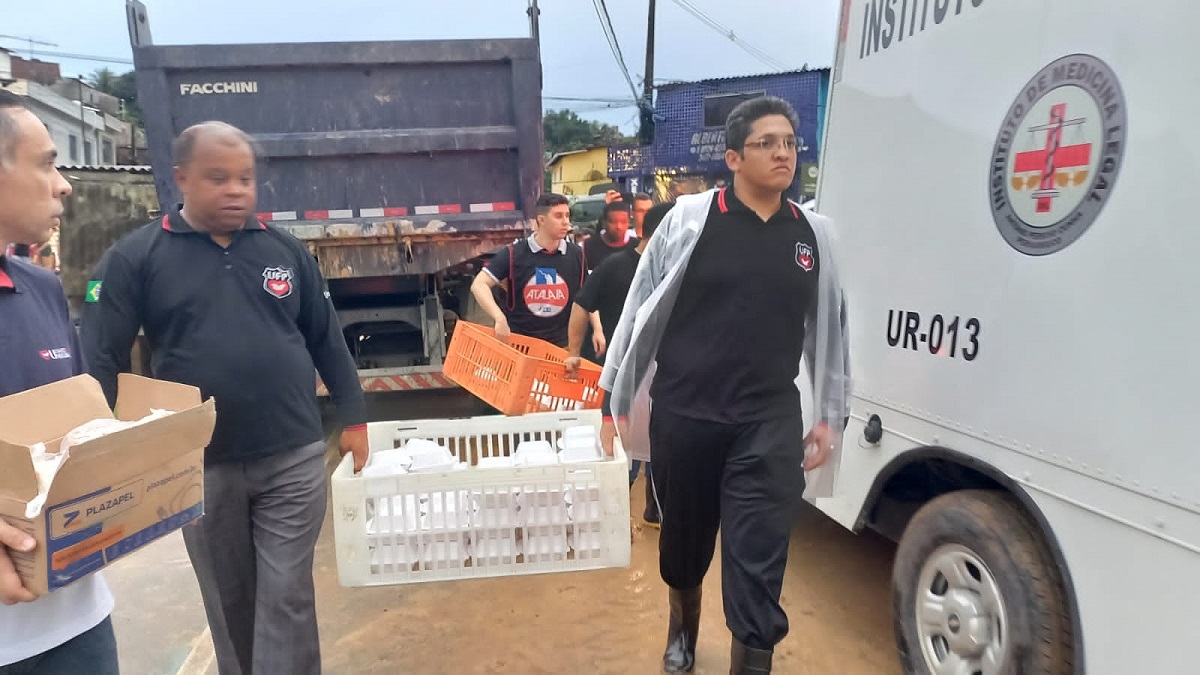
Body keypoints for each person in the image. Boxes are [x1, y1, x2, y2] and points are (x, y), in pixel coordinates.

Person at [81, 121, 368, 675]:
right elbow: (99, 359)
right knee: (230, 597)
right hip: (199, 467)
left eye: (245, 178)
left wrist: (354, 416)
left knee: (286, 594)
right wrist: (113, 451)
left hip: (293, 453)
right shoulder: (136, 259)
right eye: (219, 178)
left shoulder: (283, 250)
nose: (236, 190)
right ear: (181, 178)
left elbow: (325, 336)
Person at [599, 96, 851, 674]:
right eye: (768, 143)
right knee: (684, 543)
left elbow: (833, 329)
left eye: (790, 142)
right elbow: (639, 307)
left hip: (767, 422)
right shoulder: (689, 222)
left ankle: (751, 660)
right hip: (686, 415)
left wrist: (831, 415)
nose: (783, 153)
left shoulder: (813, 236)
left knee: (759, 554)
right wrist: (612, 392)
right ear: (734, 157)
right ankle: (682, 627)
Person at [0, 89, 120, 674]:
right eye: (46, 162)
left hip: (77, 619)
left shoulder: (41, 289)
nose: (65, 184)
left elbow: (75, 436)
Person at [566, 202, 672, 527]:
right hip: (624, 378)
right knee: (622, 455)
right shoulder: (616, 267)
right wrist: (573, 351)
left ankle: (654, 511)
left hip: (667, 378)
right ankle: (611, 521)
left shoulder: (676, 269)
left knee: (661, 446)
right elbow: (581, 305)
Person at [469, 192, 587, 348]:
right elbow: (479, 284)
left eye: (567, 215)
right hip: (520, 347)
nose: (566, 222)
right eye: (558, 216)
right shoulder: (514, 253)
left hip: (561, 348)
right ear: (541, 220)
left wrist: (597, 330)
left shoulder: (576, 254)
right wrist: (499, 318)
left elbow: (587, 297)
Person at [582, 201, 636, 273]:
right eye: (613, 222)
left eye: (623, 222)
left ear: (629, 223)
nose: (619, 227)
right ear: (604, 223)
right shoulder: (589, 246)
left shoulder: (636, 247)